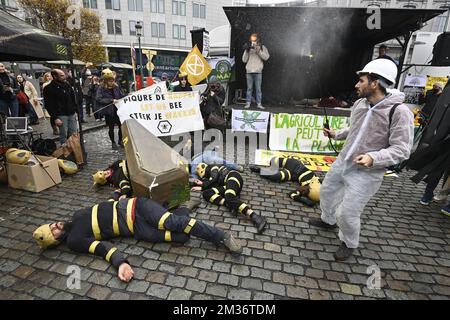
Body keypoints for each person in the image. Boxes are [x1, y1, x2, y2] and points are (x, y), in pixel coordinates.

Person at [309, 59, 414, 261]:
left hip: (367, 173)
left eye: (362, 80)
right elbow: (354, 129)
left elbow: (402, 149)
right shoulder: (359, 104)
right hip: (343, 161)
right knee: (327, 192)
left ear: (375, 83)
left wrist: (373, 157)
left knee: (347, 214)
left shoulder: (399, 112)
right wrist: (335, 134)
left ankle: (349, 242)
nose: (357, 85)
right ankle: (327, 221)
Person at [32, 197, 242, 282]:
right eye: (53, 231)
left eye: (52, 224)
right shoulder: (75, 241)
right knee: (180, 237)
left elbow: (106, 204)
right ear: (56, 240)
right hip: (136, 229)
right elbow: (103, 249)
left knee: (171, 223)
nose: (56, 226)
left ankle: (221, 236)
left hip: (135, 206)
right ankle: (184, 208)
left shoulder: (75, 217)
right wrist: (121, 263)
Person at [191, 163, 267, 234]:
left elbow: (213, 179)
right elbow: (212, 184)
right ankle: (229, 204)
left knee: (229, 196)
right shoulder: (209, 176)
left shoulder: (213, 167)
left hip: (233, 177)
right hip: (226, 185)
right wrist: (201, 187)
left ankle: (255, 216)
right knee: (206, 193)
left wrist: (202, 185)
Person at [250, 157, 321, 206]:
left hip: (293, 175)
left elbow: (292, 194)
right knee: (273, 161)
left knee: (276, 176)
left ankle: (260, 170)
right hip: (296, 166)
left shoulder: (306, 189)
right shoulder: (317, 180)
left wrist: (304, 200)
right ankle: (269, 169)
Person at [43, 69, 78, 144]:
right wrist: (55, 118)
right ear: (55, 76)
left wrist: (75, 111)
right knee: (64, 135)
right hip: (61, 115)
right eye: (61, 75)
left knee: (73, 134)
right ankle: (65, 152)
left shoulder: (67, 85)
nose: (64, 77)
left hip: (71, 113)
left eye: (64, 75)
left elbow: (72, 98)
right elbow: (49, 105)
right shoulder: (48, 88)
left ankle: (74, 151)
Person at [96, 69, 125, 150]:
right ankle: (113, 142)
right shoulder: (101, 88)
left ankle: (120, 140)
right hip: (109, 111)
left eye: (112, 80)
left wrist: (128, 95)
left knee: (121, 126)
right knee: (111, 127)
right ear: (105, 81)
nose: (112, 82)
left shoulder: (116, 87)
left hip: (118, 110)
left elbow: (121, 95)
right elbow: (98, 99)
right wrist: (111, 100)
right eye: (110, 81)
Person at [242, 33, 270, 110]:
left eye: (255, 39)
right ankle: (248, 103)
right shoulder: (248, 47)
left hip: (258, 71)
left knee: (258, 89)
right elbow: (244, 60)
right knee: (249, 88)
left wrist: (259, 51)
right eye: (252, 39)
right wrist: (247, 50)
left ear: (258, 39)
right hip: (249, 71)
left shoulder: (262, 47)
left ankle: (259, 104)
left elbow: (266, 57)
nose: (254, 41)